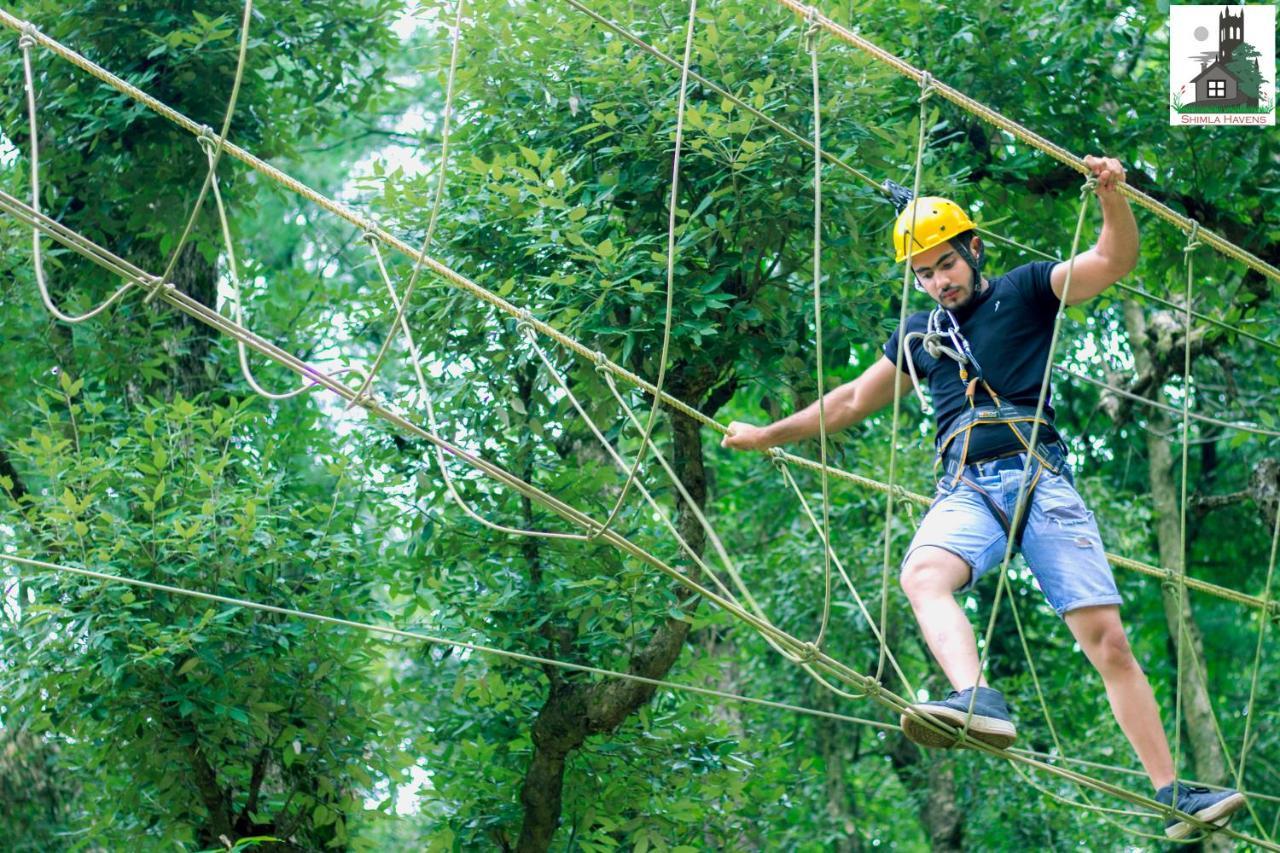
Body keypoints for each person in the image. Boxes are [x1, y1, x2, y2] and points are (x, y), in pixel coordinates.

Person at [720, 156, 1245, 840]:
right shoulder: (918, 336)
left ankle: (1175, 792)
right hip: (965, 486)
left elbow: (1112, 259)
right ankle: (974, 699)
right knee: (921, 574)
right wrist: (767, 434)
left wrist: (1112, 195)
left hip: (1039, 476)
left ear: (974, 249)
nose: (938, 282)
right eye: (924, 273)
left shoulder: (1027, 291)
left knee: (1107, 641)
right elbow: (850, 398)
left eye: (946, 265)